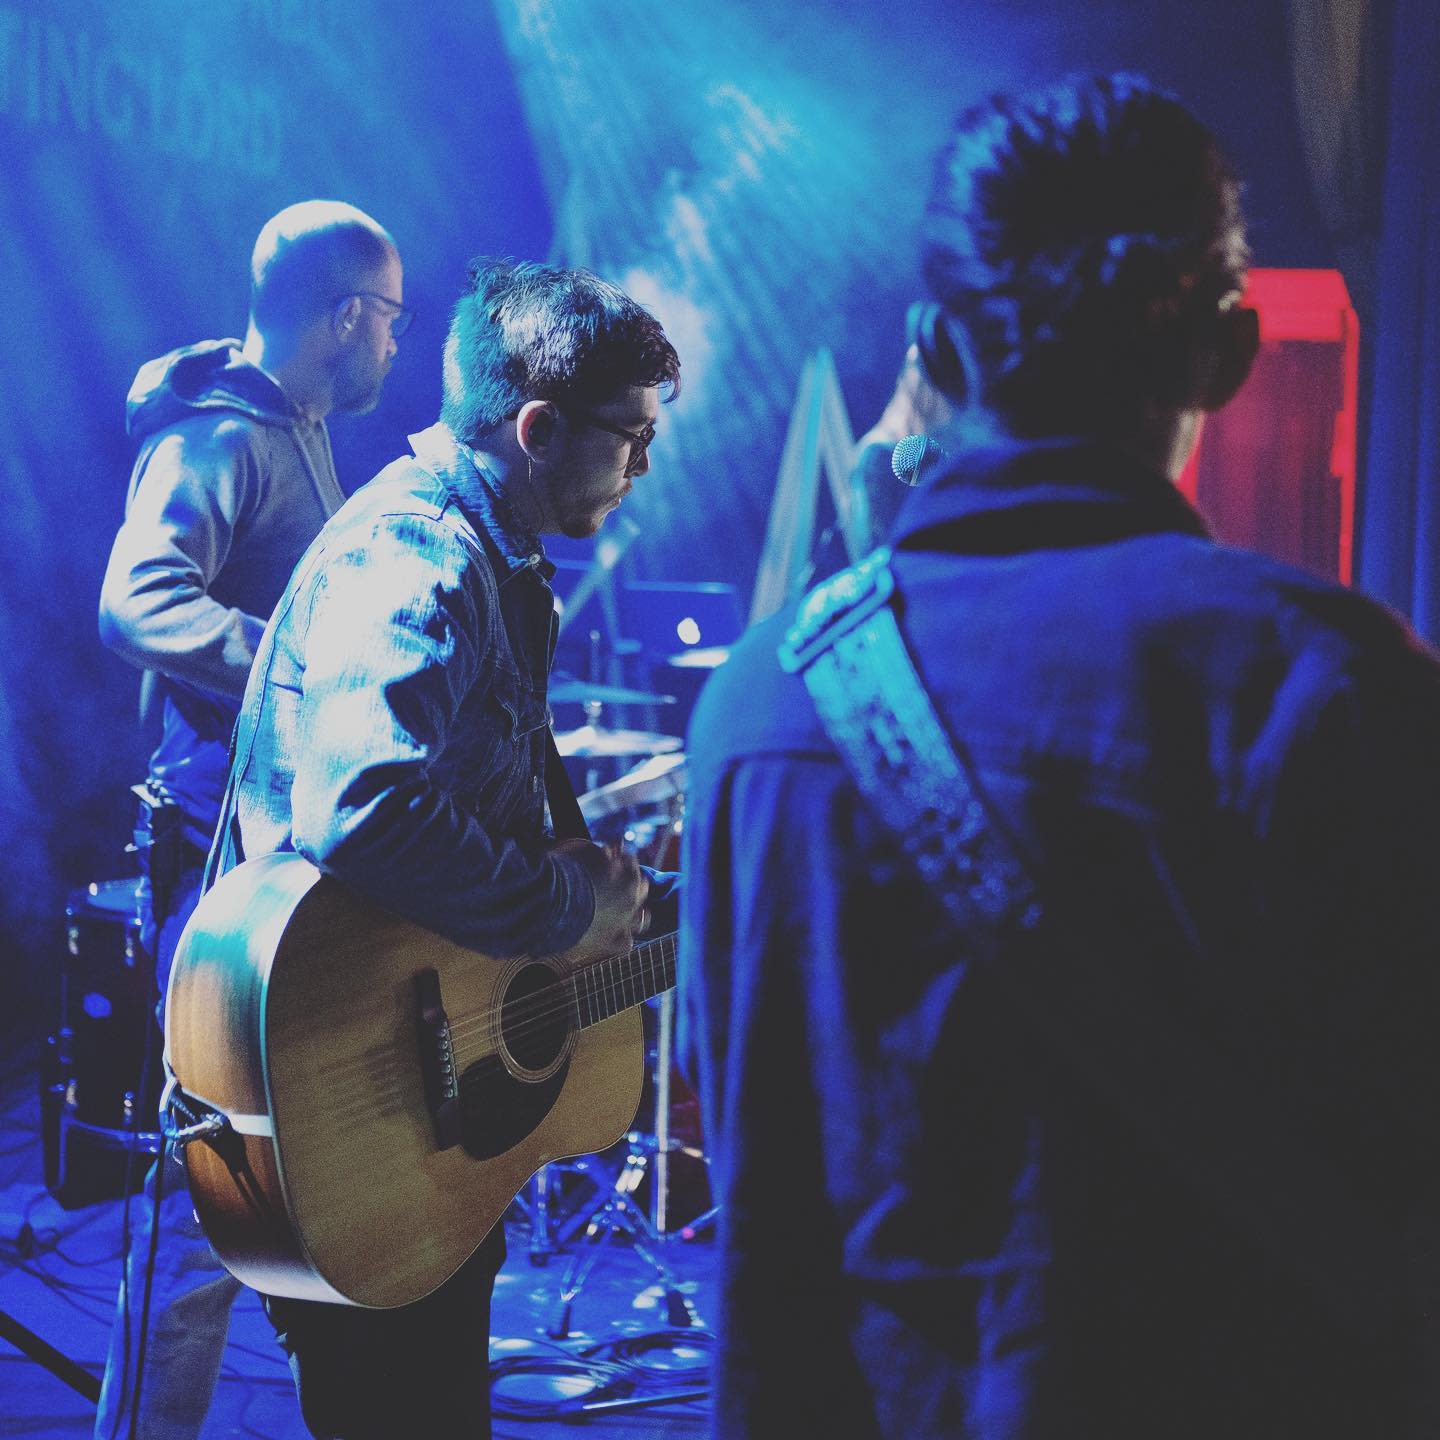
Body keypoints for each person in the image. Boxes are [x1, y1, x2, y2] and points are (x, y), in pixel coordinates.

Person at [680, 73, 1440, 1439]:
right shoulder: (1326, 688)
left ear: (934, 350)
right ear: (1229, 349)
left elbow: (752, 1187)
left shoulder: (756, 712)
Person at [204, 257, 681, 1438]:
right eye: (630, 436)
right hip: (349, 1096)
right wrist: (560, 910)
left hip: (426, 1098)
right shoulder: (421, 552)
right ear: (538, 428)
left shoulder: (487, 553)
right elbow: (362, 806)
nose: (644, 464)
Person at [95, 199, 407, 1440]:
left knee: (260, 1186)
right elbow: (137, 600)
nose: (396, 343)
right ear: (346, 317)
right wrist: (297, 669)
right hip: (216, 871)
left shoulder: (298, 430)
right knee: (204, 1197)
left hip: (267, 863)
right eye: (389, 319)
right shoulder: (222, 439)